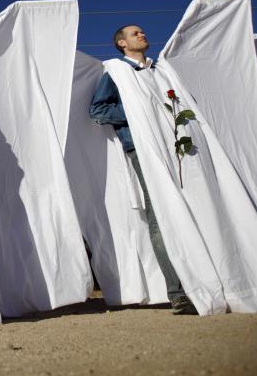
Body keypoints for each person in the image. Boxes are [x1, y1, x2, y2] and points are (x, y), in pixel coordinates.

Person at [88, 25, 194, 314]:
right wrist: (138, 110)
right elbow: (97, 111)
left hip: (175, 148)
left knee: (192, 209)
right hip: (141, 149)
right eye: (135, 33)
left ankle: (202, 280)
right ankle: (178, 293)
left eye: (144, 31)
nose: (143, 35)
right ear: (122, 43)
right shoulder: (115, 73)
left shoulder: (161, 71)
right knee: (158, 215)